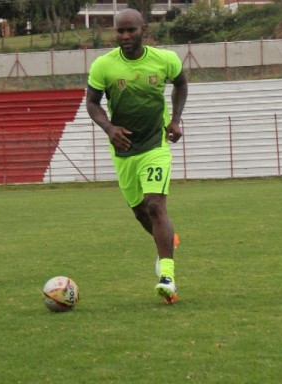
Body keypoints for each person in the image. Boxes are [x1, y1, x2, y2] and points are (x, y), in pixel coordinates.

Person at [85, 8, 188, 304]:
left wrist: (176, 119)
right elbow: (92, 103)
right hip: (124, 151)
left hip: (155, 145)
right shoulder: (104, 66)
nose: (125, 36)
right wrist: (109, 127)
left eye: (131, 30)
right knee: (141, 212)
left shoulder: (164, 60)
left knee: (156, 205)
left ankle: (166, 276)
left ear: (144, 29)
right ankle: (169, 241)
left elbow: (181, 84)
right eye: (120, 31)